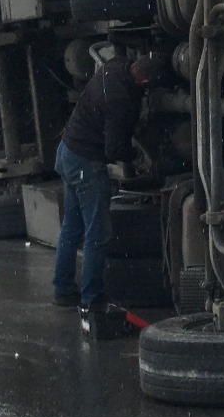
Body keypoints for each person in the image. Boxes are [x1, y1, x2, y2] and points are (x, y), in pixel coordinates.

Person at [52, 52, 160, 332]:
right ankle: (92, 297)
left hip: (66, 151)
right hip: (86, 164)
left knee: (72, 228)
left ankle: (63, 290)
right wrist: (135, 158)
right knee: (97, 234)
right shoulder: (121, 100)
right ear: (145, 80)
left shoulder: (114, 67)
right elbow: (114, 150)